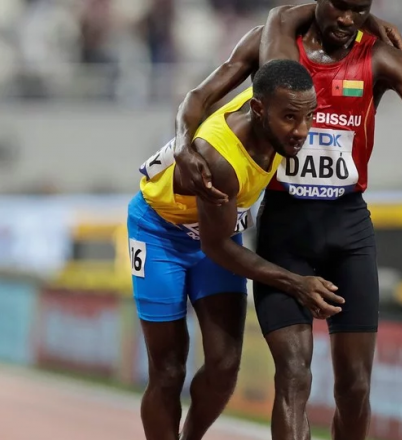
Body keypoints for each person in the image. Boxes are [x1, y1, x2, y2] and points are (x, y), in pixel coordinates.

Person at [173, 2, 402, 439]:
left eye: (360, 9)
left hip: (348, 229)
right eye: (340, 7)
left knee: (355, 386)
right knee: (293, 375)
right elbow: (199, 96)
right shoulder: (270, 44)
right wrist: (183, 143)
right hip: (284, 229)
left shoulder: (380, 56)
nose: (347, 20)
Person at [127, 59, 341, 440]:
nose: (301, 131)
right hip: (160, 233)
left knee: (225, 366)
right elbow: (217, 247)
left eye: (309, 117)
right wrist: (296, 283)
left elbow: (268, 29)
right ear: (259, 111)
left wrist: (374, 25)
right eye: (290, 119)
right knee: (168, 369)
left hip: (217, 230)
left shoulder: (275, 92)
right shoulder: (221, 159)